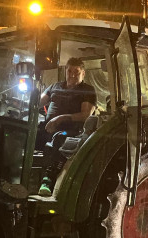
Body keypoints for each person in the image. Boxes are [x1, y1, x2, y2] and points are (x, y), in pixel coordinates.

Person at [37, 57, 97, 196]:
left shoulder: (87, 90)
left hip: (73, 131)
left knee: (60, 138)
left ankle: (47, 181)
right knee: (24, 133)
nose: (72, 74)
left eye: (76, 71)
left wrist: (61, 118)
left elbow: (85, 114)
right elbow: (37, 103)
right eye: (70, 71)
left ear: (83, 73)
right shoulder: (55, 86)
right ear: (66, 71)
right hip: (47, 128)